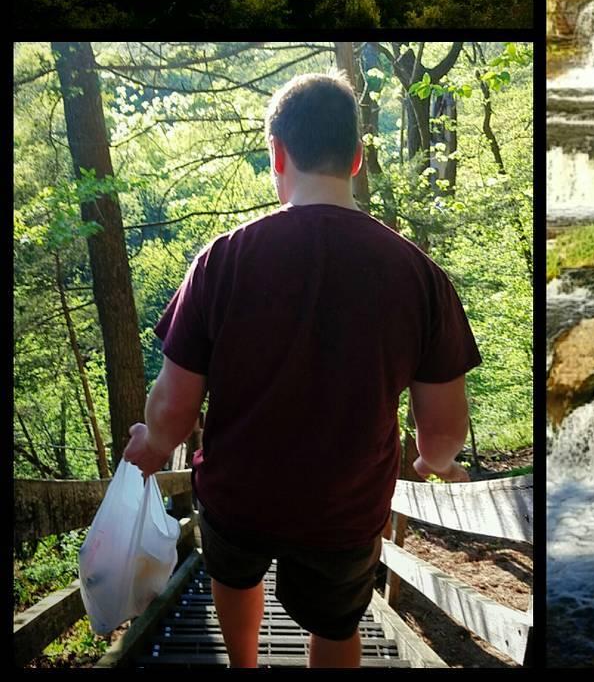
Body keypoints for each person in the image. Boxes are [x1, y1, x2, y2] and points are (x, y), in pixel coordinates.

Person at [123, 70, 482, 668]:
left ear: (277, 153)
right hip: (345, 508)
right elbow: (443, 431)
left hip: (239, 496)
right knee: (336, 623)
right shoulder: (419, 276)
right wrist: (433, 462)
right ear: (358, 159)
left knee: (236, 583)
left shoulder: (223, 259)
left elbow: (175, 406)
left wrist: (152, 442)